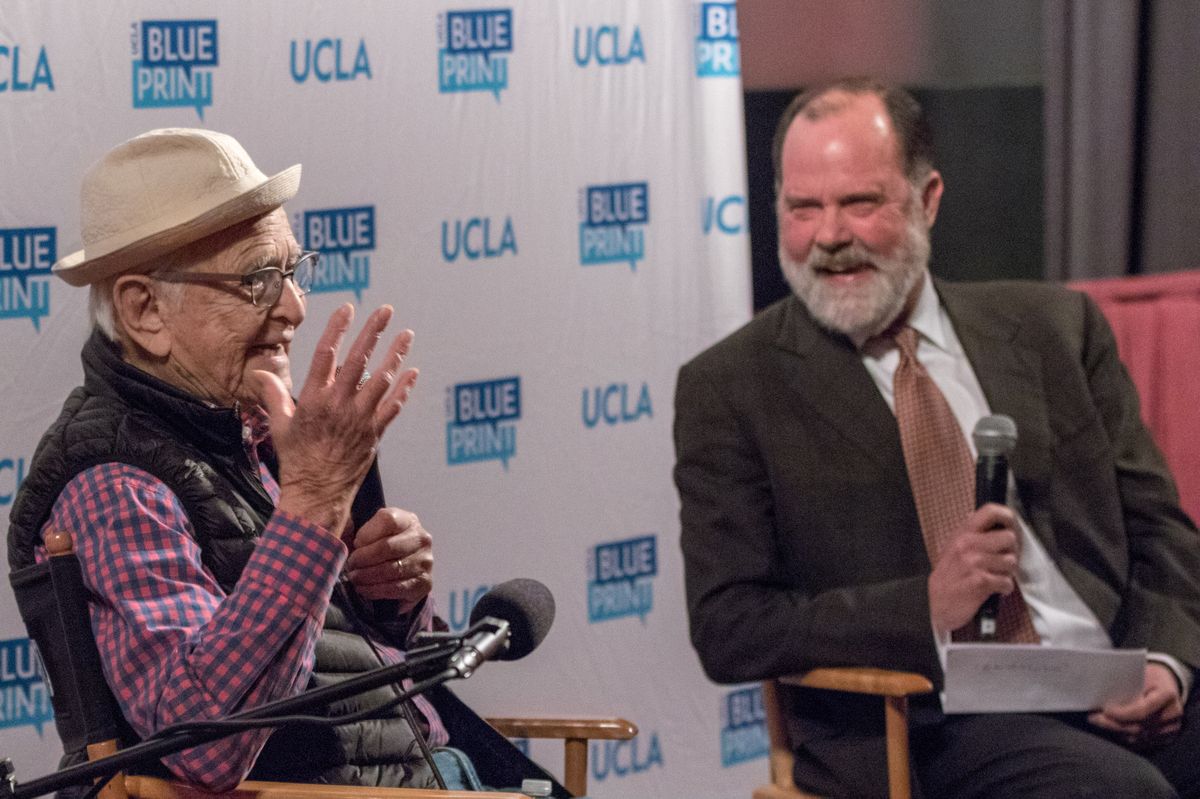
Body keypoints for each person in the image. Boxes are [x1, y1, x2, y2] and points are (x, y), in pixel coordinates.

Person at [673, 78, 1200, 798]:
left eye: (859, 202)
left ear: (928, 199)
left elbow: (1162, 532)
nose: (828, 236)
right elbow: (729, 626)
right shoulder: (732, 387)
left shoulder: (1056, 329)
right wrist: (922, 603)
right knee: (1117, 791)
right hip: (925, 721)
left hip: (1111, 679)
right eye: (803, 208)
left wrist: (1167, 662)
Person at [7, 128, 561, 796]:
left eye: (294, 271)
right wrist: (316, 500)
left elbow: (345, 667)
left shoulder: (265, 425)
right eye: (257, 280)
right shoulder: (110, 483)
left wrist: (391, 603)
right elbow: (203, 743)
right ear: (145, 309)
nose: (295, 307)